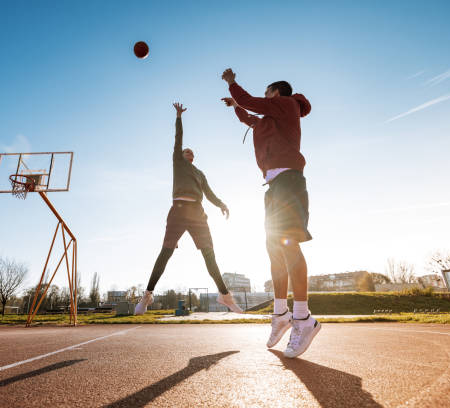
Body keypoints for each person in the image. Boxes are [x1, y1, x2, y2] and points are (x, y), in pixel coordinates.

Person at [221, 68, 319, 358]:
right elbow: (251, 116)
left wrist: (232, 85)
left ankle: (303, 318)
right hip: (274, 186)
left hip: (289, 182)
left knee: (289, 245)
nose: (265, 97)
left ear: (277, 92)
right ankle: (281, 315)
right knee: (273, 249)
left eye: (267, 93)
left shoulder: (287, 105)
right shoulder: (270, 121)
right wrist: (237, 106)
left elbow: (253, 103)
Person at [135, 102, 243, 315]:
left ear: (194, 158)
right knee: (165, 253)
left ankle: (225, 296)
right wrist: (178, 117)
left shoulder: (200, 174)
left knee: (209, 255)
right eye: (185, 150)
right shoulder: (178, 162)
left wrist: (221, 204)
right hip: (178, 211)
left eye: (190, 151)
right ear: (182, 155)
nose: (188, 151)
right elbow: (178, 139)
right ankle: (147, 295)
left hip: (197, 214)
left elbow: (209, 193)